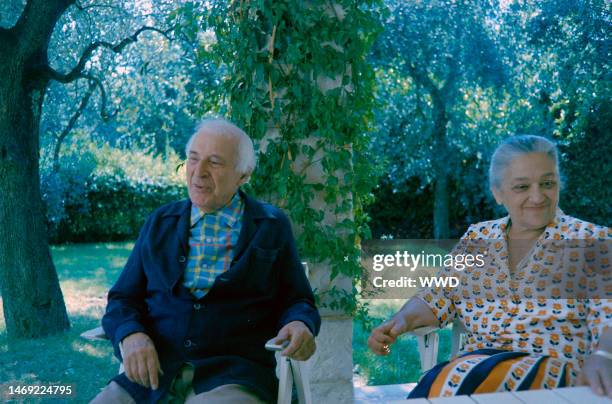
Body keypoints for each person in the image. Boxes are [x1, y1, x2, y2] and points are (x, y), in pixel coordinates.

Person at [91, 118, 320, 403]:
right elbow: (123, 297)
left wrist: (300, 323)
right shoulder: (161, 222)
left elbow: (298, 300)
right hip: (154, 375)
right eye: (193, 159)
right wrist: (130, 334)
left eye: (215, 162)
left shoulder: (270, 226)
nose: (198, 172)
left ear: (244, 174)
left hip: (233, 376)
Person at [368, 135, 611, 398]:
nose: (537, 196)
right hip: (475, 371)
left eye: (547, 183)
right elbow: (439, 295)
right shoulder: (477, 238)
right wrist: (400, 321)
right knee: (447, 384)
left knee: (451, 383)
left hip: (551, 378)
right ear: (498, 193)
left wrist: (604, 354)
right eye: (522, 187)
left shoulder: (591, 240)